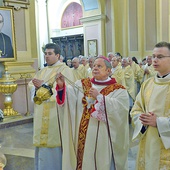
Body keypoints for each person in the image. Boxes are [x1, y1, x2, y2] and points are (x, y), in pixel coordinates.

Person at [56, 56, 129, 170]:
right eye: (94, 65)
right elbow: (69, 99)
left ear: (108, 71)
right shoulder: (81, 84)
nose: (95, 68)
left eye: (99, 66)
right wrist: (61, 87)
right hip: (82, 137)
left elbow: (121, 111)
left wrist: (100, 97)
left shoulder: (118, 90)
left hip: (103, 139)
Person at [28, 43, 74, 170]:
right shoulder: (42, 71)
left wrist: (45, 87)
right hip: (41, 112)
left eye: (49, 54)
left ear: (57, 55)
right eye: (45, 54)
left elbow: (68, 91)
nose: (46, 56)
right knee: (41, 148)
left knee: (54, 147)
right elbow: (31, 85)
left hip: (56, 114)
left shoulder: (65, 70)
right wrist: (36, 88)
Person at [130, 41, 170, 169]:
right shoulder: (147, 84)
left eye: (160, 57)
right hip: (148, 143)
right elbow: (135, 109)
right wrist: (143, 119)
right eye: (153, 56)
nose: (155, 60)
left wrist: (159, 122)